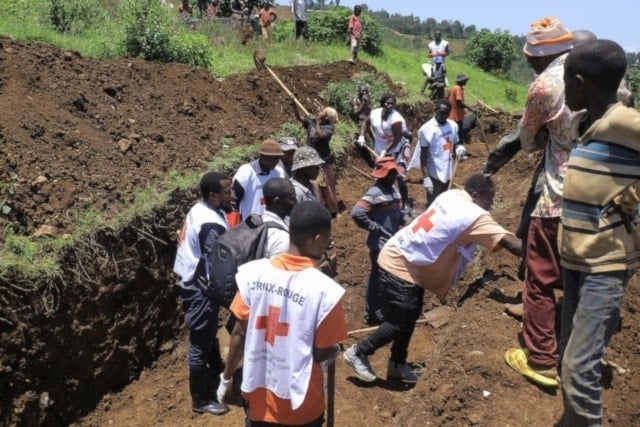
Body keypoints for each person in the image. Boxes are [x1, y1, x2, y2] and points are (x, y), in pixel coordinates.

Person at [344, 174, 522, 384]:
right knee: (398, 322)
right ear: (475, 195)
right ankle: (358, 352)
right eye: (489, 198)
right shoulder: (475, 215)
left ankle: (397, 365)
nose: (492, 203)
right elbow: (513, 244)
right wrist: (543, 258)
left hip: (405, 258)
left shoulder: (453, 195)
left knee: (410, 316)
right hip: (401, 266)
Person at [559, 39, 640, 426]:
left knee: (578, 367)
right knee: (568, 359)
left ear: (579, 83)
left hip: (605, 266)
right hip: (577, 260)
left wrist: (633, 197)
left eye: (564, 82)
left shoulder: (623, 121)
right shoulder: (585, 123)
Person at [217, 201, 348, 425]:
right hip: (302, 406)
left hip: (259, 402)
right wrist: (335, 349)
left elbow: (239, 333)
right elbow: (320, 352)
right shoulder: (325, 292)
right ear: (318, 240)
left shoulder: (254, 274)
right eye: (327, 239)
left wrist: (227, 378)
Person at [502, 17, 576, 389]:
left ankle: (542, 359)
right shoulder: (599, 73)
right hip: (605, 194)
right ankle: (576, 349)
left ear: (541, 55)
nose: (530, 62)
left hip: (560, 193)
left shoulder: (544, 85)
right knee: (580, 275)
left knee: (541, 276)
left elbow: (528, 141)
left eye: (532, 57)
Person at [173, 171, 234, 415]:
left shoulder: (200, 209)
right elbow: (219, 258)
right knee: (199, 342)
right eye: (227, 191)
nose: (232, 194)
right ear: (213, 195)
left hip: (191, 280)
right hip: (199, 289)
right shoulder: (210, 225)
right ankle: (200, 399)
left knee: (208, 331)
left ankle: (216, 368)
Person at [351, 159, 404, 326]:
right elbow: (357, 213)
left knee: (386, 277)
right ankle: (375, 313)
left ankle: (383, 308)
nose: (394, 175)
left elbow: (398, 211)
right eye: (391, 173)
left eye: (395, 172)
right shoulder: (374, 192)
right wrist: (374, 227)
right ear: (383, 175)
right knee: (379, 278)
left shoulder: (393, 190)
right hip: (380, 244)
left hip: (392, 241)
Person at [358, 93, 412, 212]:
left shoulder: (396, 119)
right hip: (382, 148)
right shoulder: (375, 113)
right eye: (387, 103)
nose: (390, 105)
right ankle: (384, 200)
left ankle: (405, 202)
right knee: (382, 175)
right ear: (382, 103)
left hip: (398, 148)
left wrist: (385, 151)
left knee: (399, 176)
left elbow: (397, 137)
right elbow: (366, 123)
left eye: (392, 103)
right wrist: (361, 136)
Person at [414, 98, 465, 207]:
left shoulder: (453, 125)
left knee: (444, 202)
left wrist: (459, 148)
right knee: (433, 204)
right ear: (435, 110)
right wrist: (426, 177)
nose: (444, 115)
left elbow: (456, 142)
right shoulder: (427, 129)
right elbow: (423, 155)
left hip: (448, 170)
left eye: (447, 113)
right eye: (442, 112)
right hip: (434, 174)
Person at [293, 104, 340, 217]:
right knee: (316, 187)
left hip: (324, 161)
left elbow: (321, 136)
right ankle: (321, 210)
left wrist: (317, 122)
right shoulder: (311, 122)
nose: (321, 112)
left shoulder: (329, 128)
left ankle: (333, 211)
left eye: (324, 112)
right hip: (311, 162)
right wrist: (294, 105)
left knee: (328, 187)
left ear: (327, 118)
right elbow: (299, 118)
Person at [232, 139, 286, 221]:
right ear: (263, 157)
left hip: (272, 224)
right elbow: (233, 201)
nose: (276, 162)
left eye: (277, 159)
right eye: (272, 159)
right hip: (250, 225)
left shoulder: (279, 172)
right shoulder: (246, 172)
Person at [261, 177, 297, 258]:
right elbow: (279, 270)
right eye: (292, 198)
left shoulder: (261, 221)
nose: (296, 202)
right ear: (277, 202)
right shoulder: (281, 239)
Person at [448, 73, 477, 144]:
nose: (466, 82)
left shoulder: (456, 88)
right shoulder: (457, 88)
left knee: (457, 135)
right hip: (456, 116)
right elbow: (459, 102)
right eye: (465, 80)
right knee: (458, 135)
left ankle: (456, 149)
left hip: (456, 115)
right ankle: (458, 151)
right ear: (461, 81)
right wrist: (471, 109)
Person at [351, 83, 375, 167]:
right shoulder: (356, 100)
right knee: (370, 142)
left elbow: (371, 110)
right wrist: (363, 104)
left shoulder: (367, 99)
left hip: (370, 121)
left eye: (366, 91)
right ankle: (373, 162)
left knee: (376, 140)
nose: (364, 92)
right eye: (363, 91)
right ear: (359, 91)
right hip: (361, 122)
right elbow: (355, 113)